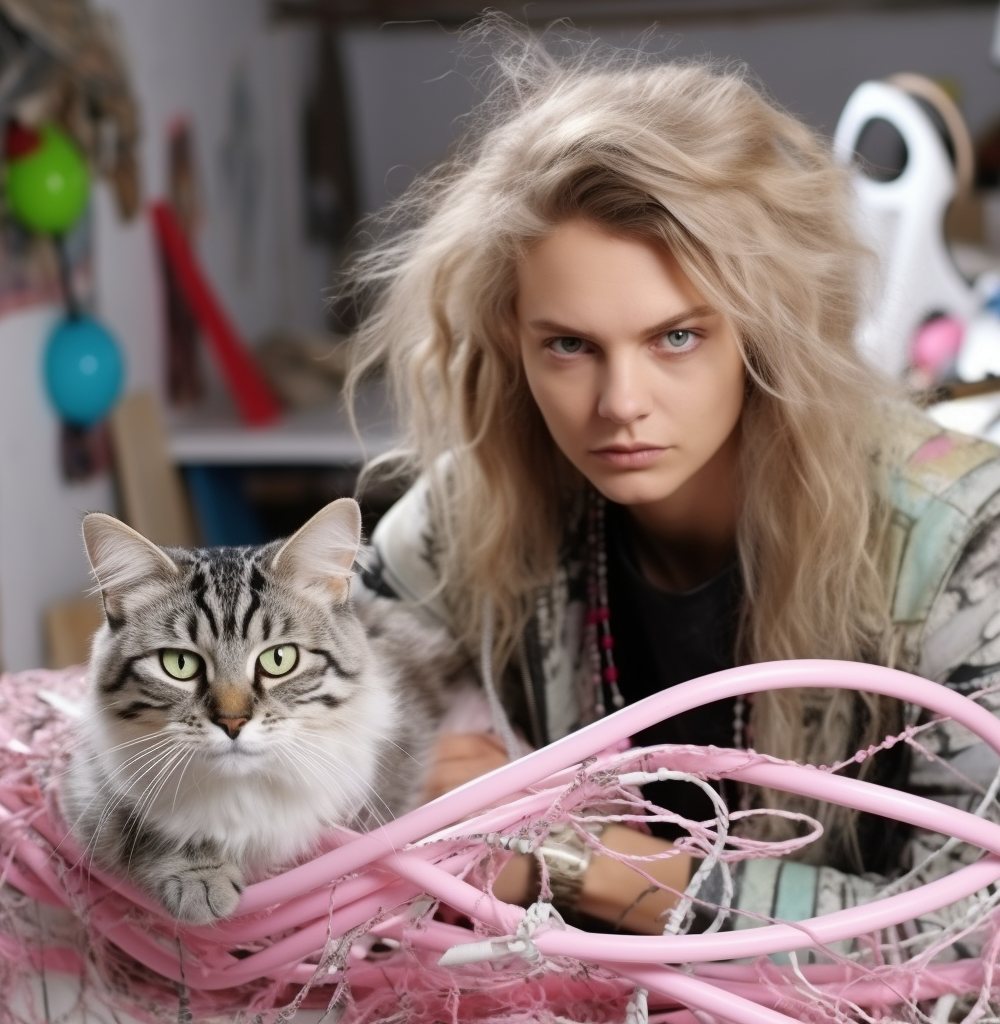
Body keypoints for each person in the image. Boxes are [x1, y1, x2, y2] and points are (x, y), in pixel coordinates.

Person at [344, 19, 1000, 943]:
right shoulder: (479, 504)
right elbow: (291, 753)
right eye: (569, 345)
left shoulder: (966, 542)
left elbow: (977, 936)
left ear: (763, 331)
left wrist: (572, 858)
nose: (620, 404)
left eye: (677, 338)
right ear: (510, 340)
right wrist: (399, 782)